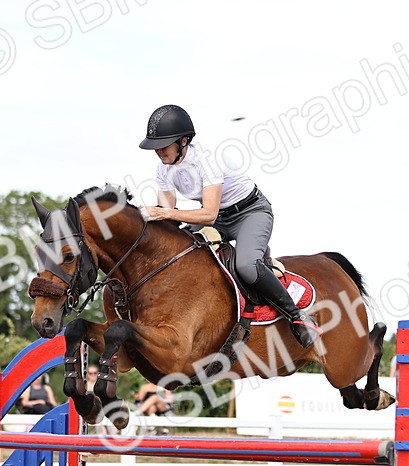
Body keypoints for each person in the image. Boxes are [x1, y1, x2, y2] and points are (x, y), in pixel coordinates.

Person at [137, 103, 320, 349]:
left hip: (250, 212)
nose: (158, 151)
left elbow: (208, 214)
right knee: (179, 250)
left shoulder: (207, 160)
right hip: (219, 219)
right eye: (156, 146)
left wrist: (164, 213)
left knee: (246, 266)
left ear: (184, 141)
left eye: (164, 145)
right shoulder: (163, 168)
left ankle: (297, 316)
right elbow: (167, 213)